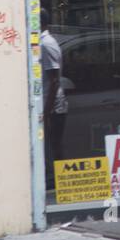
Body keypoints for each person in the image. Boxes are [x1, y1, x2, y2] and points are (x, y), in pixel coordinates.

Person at [40, 28, 68, 188]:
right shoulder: (44, 43)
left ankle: (59, 182)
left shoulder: (46, 44)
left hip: (53, 106)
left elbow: (54, 80)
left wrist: (46, 110)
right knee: (52, 145)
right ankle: (56, 180)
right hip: (49, 103)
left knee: (54, 144)